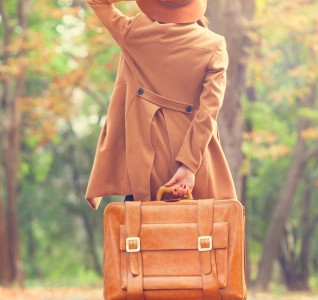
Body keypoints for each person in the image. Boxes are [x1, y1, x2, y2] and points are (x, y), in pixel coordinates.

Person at [84, 0, 237, 208]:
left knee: (140, 233)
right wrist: (188, 166)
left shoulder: (133, 32)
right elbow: (208, 113)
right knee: (200, 235)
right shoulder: (214, 46)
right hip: (194, 165)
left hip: (142, 163)